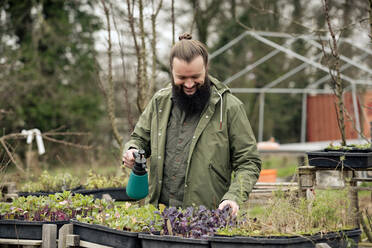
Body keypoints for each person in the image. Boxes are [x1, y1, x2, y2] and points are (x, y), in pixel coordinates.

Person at [122, 33, 261, 215]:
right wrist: (132, 150)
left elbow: (249, 162)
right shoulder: (160, 102)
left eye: (196, 77)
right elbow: (139, 139)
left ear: (206, 68)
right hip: (158, 215)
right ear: (171, 71)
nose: (189, 84)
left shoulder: (229, 108)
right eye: (181, 78)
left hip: (207, 219)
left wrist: (233, 196)